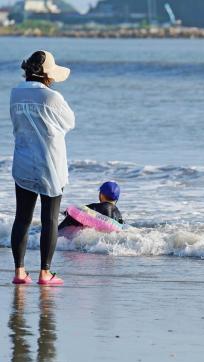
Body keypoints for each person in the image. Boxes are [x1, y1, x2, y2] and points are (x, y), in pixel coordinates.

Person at [10, 51, 75, 286]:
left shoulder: (15, 93)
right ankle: (45, 273)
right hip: (50, 163)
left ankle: (19, 272)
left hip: (23, 160)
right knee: (49, 220)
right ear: (47, 75)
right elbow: (69, 122)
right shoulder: (52, 97)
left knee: (22, 218)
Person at [58, 181, 124, 231]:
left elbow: (78, 213)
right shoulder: (118, 214)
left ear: (101, 194)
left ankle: (55, 234)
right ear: (116, 199)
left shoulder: (94, 207)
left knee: (71, 218)